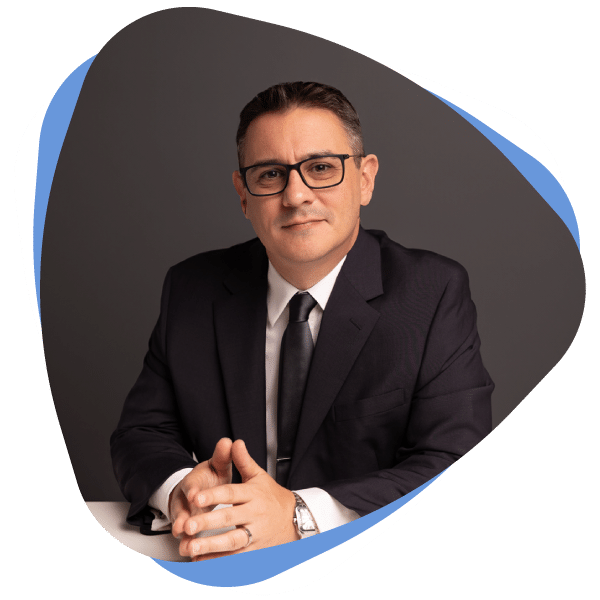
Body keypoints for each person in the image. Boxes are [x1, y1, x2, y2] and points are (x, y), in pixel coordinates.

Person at [110, 81, 494, 561]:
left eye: (320, 169)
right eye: (270, 174)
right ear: (244, 194)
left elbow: (454, 461)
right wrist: (184, 490)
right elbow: (141, 434)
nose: (295, 195)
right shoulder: (193, 289)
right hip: (226, 559)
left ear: (365, 178)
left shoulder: (431, 292)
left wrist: (299, 515)